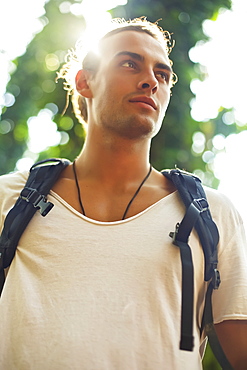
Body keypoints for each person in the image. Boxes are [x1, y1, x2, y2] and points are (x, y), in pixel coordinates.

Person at [0, 17, 246, 370]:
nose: (150, 80)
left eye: (163, 74)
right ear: (85, 82)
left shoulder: (211, 212)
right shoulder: (10, 199)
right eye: (129, 63)